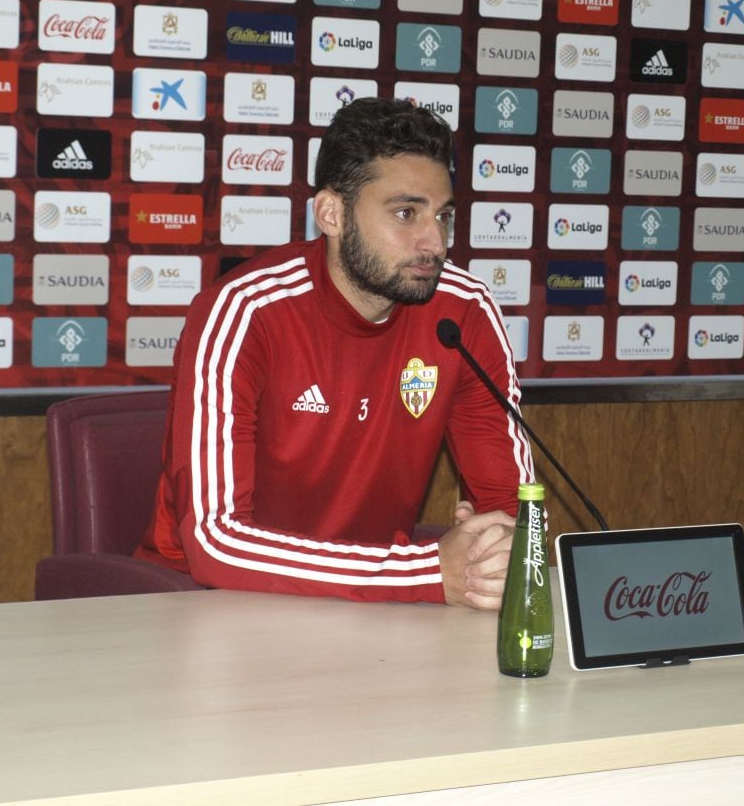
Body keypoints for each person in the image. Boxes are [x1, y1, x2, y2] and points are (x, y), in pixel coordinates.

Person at [135, 97, 535, 608]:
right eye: (406, 213)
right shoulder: (244, 311)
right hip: (202, 605)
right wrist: (430, 572)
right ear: (332, 213)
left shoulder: (465, 311)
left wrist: (494, 555)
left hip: (369, 612)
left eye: (444, 216)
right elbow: (216, 543)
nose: (435, 241)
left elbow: (515, 510)